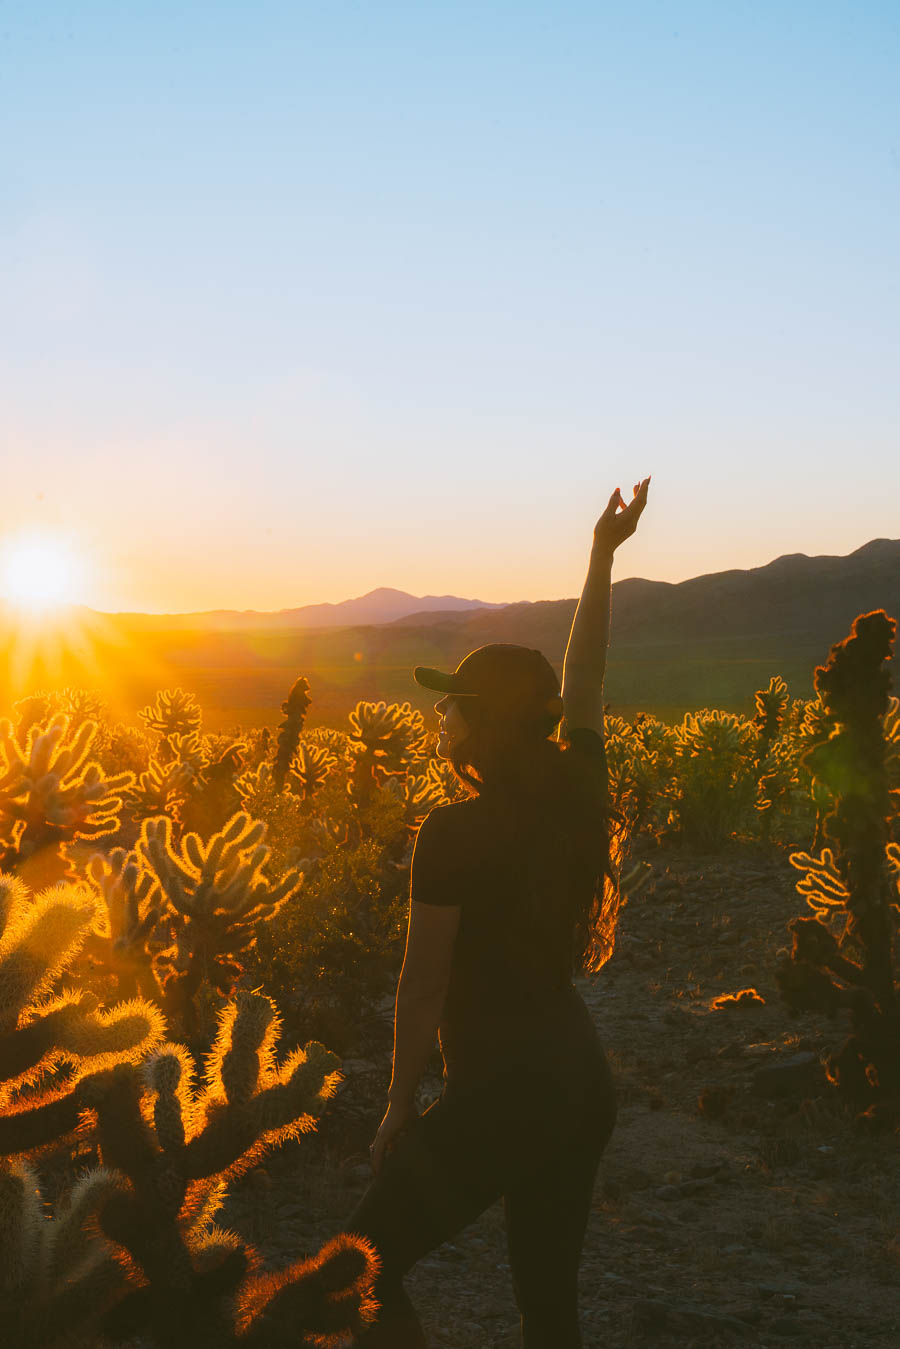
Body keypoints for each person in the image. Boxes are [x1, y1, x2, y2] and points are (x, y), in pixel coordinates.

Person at [345, 478, 651, 1347]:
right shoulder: (577, 794)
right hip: (579, 1083)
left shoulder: (453, 830)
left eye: (452, 705)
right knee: (548, 1305)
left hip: (510, 1090)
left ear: (481, 722)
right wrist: (601, 555)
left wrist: (400, 1102)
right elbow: (585, 673)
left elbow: (423, 984)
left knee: (354, 1265)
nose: (440, 716)